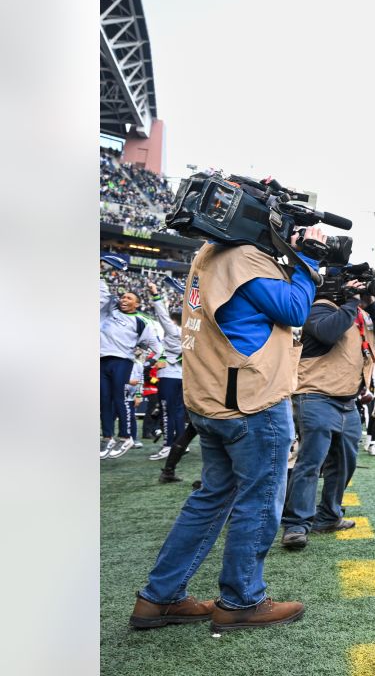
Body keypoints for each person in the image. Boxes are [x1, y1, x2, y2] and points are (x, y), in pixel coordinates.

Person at [131, 225, 324, 632]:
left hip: (211, 396)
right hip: (250, 399)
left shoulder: (209, 251)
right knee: (258, 501)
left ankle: (159, 598)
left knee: (210, 498)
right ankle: (242, 600)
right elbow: (294, 310)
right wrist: (310, 258)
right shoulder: (245, 256)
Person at [280, 272, 375, 550]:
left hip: (349, 402)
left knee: (344, 463)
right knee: (311, 463)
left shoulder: (363, 315)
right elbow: (328, 332)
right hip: (316, 396)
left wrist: (370, 305)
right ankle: (296, 524)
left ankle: (329, 515)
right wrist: (349, 302)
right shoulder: (319, 306)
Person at [100, 256, 164, 458]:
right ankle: (108, 438)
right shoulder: (108, 312)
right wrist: (100, 272)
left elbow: (157, 347)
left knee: (119, 398)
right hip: (101, 360)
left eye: (129, 298)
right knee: (103, 400)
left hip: (122, 361)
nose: (123, 299)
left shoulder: (140, 322)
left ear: (137, 304)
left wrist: (149, 362)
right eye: (123, 297)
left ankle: (126, 437)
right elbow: (102, 294)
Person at [146, 282, 187, 463]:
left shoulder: (172, 331)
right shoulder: (192, 333)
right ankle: (180, 445)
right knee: (178, 413)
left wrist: (156, 295)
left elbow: (162, 315)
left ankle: (168, 445)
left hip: (169, 376)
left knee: (166, 411)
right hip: (183, 377)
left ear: (174, 321)